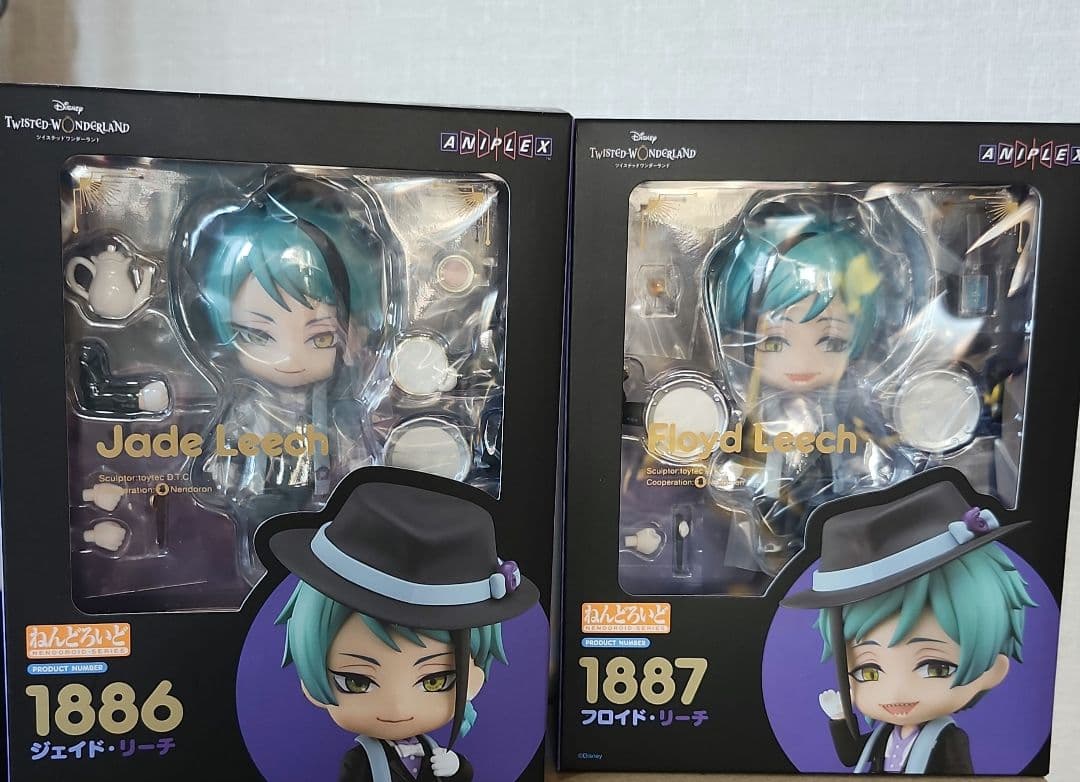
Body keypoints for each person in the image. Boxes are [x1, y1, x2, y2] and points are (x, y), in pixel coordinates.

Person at [270, 469, 538, 782]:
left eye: (435, 681)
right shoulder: (360, 761)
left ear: (474, 681)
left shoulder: (433, 751)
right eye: (355, 682)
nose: (397, 708)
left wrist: (455, 769)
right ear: (310, 678)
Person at [783, 472, 1034, 774]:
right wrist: (839, 718)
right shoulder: (885, 734)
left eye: (936, 668)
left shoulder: (947, 739)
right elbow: (852, 756)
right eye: (868, 671)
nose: (897, 691)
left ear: (992, 670)